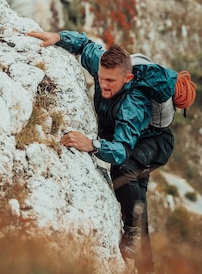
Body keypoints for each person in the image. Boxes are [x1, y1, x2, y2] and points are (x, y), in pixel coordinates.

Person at [27, 29, 181, 274]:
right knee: (137, 202)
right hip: (135, 140)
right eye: (101, 78)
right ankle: (146, 267)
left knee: (125, 170)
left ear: (128, 78)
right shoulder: (103, 67)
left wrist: (92, 145)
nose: (104, 85)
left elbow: (120, 150)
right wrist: (58, 37)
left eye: (111, 81)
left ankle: (133, 239)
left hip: (154, 143)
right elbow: (85, 44)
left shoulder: (133, 104)